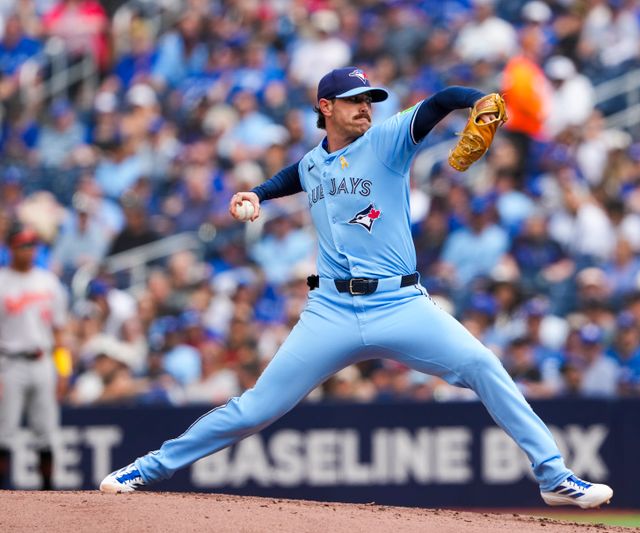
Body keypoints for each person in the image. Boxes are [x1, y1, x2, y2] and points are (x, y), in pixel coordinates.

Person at [100, 66, 613, 508]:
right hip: (331, 311)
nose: (366, 107)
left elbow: (437, 103)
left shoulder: (387, 142)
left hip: (399, 301)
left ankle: (553, 476)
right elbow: (294, 176)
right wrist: (256, 194)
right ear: (325, 106)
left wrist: (475, 99)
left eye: (369, 99)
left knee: (482, 364)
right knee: (255, 408)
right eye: (353, 100)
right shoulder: (313, 161)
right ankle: (145, 469)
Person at [0, 222, 70, 490]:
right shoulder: (2, 282)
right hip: (9, 363)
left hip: (43, 361)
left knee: (47, 432)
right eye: (22, 245)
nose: (28, 250)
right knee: (4, 432)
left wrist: (63, 370)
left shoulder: (48, 282)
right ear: (11, 248)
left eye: (32, 245)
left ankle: (48, 495)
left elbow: (60, 333)